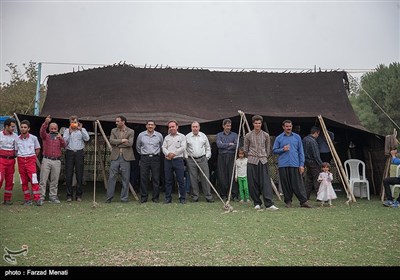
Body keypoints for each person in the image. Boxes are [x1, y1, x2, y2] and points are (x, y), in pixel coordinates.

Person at [272, 120, 311, 208]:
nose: (288, 128)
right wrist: (282, 149)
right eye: (287, 126)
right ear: (283, 127)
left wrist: (301, 164)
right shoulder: (279, 138)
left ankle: (303, 201)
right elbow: (274, 150)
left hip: (295, 164)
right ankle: (288, 201)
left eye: (290, 126)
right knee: (286, 184)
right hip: (283, 164)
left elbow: (301, 152)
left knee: (298, 184)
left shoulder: (297, 137)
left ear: (292, 126)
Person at [244, 115, 278, 210]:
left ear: (261, 124)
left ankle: (269, 204)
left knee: (265, 182)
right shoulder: (248, 135)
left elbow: (268, 149)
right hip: (252, 160)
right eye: (256, 123)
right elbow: (246, 149)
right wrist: (252, 156)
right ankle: (256, 202)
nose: (257, 125)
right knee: (252, 182)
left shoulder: (266, 135)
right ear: (253, 124)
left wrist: (263, 156)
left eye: (259, 123)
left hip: (263, 161)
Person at [105, 116, 135, 203]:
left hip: (126, 157)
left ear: (123, 122)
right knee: (111, 177)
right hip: (115, 157)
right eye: (116, 121)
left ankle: (124, 198)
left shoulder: (131, 131)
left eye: (118, 121)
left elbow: (130, 144)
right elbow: (111, 141)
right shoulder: (113, 130)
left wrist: (117, 143)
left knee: (125, 178)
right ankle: (109, 198)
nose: (116, 123)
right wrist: (122, 140)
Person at [39, 115, 66, 204]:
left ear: (57, 129)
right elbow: (42, 132)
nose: (53, 130)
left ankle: (53, 196)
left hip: (56, 160)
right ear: (49, 129)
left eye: (55, 129)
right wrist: (46, 123)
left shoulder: (59, 137)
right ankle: (41, 197)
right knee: (43, 179)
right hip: (46, 159)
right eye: (52, 128)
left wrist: (60, 138)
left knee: (55, 180)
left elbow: (64, 145)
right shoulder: (45, 136)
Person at [63, 115, 90, 202]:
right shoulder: (67, 131)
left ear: (78, 122)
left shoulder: (82, 130)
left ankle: (79, 195)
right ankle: (69, 195)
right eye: (72, 122)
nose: (73, 124)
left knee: (79, 174)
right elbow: (64, 142)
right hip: (70, 152)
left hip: (79, 152)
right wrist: (70, 133)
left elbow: (87, 138)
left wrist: (81, 129)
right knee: (69, 174)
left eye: (75, 122)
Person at [185, 121, 214, 203]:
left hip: (202, 159)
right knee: (193, 178)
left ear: (199, 127)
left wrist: (207, 157)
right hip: (191, 160)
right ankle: (195, 197)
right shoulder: (187, 137)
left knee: (205, 178)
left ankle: (208, 196)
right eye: (193, 127)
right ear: (191, 128)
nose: (195, 128)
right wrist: (187, 158)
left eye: (196, 126)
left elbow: (208, 147)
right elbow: (185, 149)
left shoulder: (203, 136)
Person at [15, 120, 42, 206]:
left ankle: (37, 199)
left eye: (25, 127)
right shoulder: (17, 139)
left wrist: (33, 157)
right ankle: (27, 199)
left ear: (28, 128)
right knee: (23, 181)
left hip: (30, 160)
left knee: (34, 180)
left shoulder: (33, 138)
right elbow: (16, 150)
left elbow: (38, 149)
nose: (23, 129)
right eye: (22, 127)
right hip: (21, 160)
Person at [136, 120, 163, 203]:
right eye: (149, 125)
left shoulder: (159, 135)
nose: (150, 126)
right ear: (146, 126)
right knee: (143, 178)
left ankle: (155, 198)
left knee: (156, 178)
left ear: (154, 126)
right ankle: (144, 197)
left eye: (152, 125)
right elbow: (138, 146)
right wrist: (143, 154)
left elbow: (161, 146)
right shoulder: (141, 135)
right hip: (145, 158)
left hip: (155, 158)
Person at [162, 120, 187, 204]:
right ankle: (168, 198)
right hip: (168, 161)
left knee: (180, 180)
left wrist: (174, 153)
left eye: (173, 126)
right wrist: (168, 154)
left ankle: (182, 198)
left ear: (177, 127)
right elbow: (163, 147)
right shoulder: (166, 137)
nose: (171, 128)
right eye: (170, 127)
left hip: (178, 160)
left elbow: (183, 147)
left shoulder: (182, 136)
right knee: (168, 180)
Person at [216, 119, 238, 201]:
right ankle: (223, 195)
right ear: (223, 126)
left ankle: (234, 195)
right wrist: (229, 144)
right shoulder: (219, 135)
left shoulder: (235, 135)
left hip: (232, 156)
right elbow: (219, 145)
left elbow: (236, 145)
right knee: (222, 176)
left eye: (230, 125)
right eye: (227, 125)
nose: (229, 127)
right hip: (222, 157)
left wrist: (224, 145)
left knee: (232, 175)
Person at [0, 118, 18, 205]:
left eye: (14, 127)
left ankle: (7, 199)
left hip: (11, 161)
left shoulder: (15, 136)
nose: (13, 128)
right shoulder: (0, 135)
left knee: (10, 180)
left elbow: (16, 149)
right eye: (12, 126)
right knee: (0, 179)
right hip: (1, 160)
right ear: (6, 126)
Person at [303, 126, 323, 200]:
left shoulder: (305, 139)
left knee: (309, 180)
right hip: (314, 162)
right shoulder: (313, 141)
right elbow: (316, 154)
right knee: (317, 179)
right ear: (316, 133)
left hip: (307, 162)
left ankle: (305, 196)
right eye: (318, 134)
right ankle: (320, 197)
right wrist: (321, 164)